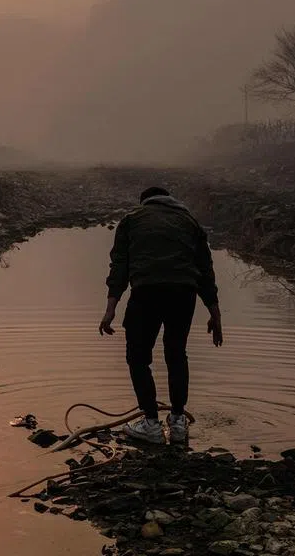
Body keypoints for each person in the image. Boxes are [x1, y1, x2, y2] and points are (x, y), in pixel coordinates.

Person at [100, 186, 223, 445]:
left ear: (144, 202)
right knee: (176, 353)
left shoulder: (132, 220)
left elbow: (119, 266)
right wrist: (214, 312)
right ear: (171, 201)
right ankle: (178, 423)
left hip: (146, 292)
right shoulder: (189, 221)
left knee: (138, 357)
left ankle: (151, 424)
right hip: (183, 293)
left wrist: (111, 308)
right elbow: (204, 270)